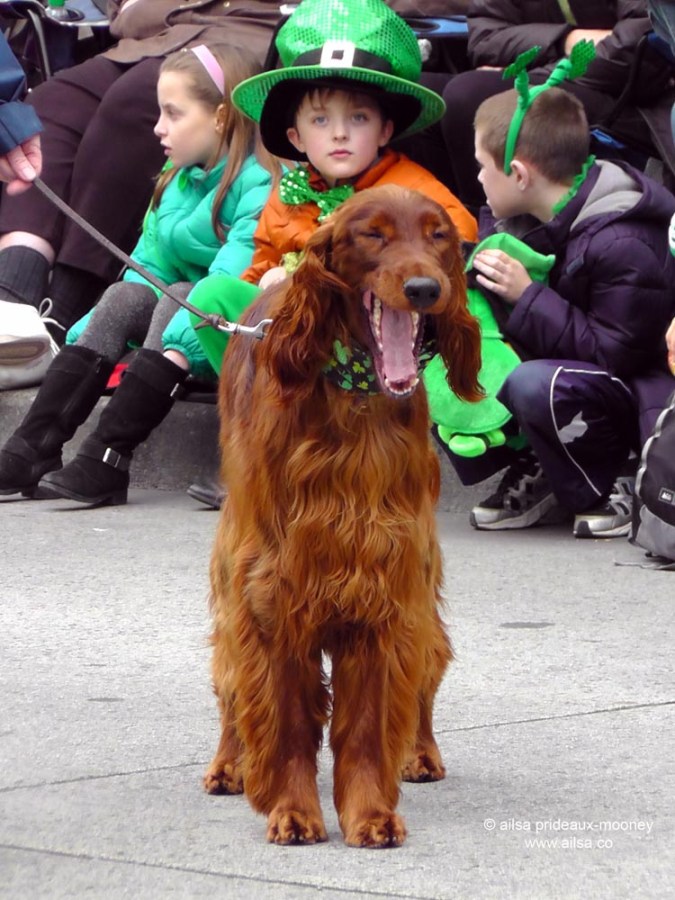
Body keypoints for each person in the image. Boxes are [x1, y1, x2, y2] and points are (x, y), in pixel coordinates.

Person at [180, 0, 479, 508]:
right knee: (214, 295)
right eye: (321, 119)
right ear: (295, 137)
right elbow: (258, 262)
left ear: (385, 130)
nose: (339, 133)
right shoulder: (287, 191)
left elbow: (458, 236)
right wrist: (270, 279)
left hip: (385, 334)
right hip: (303, 336)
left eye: (357, 117)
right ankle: (262, 436)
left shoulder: (413, 189)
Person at [0, 43, 279, 507]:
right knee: (124, 296)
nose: (158, 128)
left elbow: (232, 282)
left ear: (222, 118)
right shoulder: (175, 176)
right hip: (169, 343)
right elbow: (146, 267)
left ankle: (108, 459)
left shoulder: (260, 182)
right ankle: (33, 450)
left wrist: (173, 321)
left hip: (219, 341)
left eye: (173, 113)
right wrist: (90, 334)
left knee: (182, 294)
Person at [441, 45, 675, 539]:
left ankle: (609, 482)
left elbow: (616, 356)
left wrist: (527, 295)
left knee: (532, 383)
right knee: (449, 343)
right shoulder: (522, 218)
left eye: (483, 166)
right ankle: (545, 467)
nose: (478, 178)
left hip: (635, 395)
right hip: (580, 373)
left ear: (520, 175)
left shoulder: (623, 237)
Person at [0, 0, 284, 361]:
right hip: (152, 35)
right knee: (46, 104)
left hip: (243, 37)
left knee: (132, 103)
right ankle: (13, 292)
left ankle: (62, 313)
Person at [427, 0, 675, 214]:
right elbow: (486, 41)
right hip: (571, 74)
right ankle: (457, 229)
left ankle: (493, 231)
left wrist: (529, 72)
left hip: (633, 100)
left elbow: (635, 51)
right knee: (426, 97)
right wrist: (564, 40)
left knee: (468, 95)